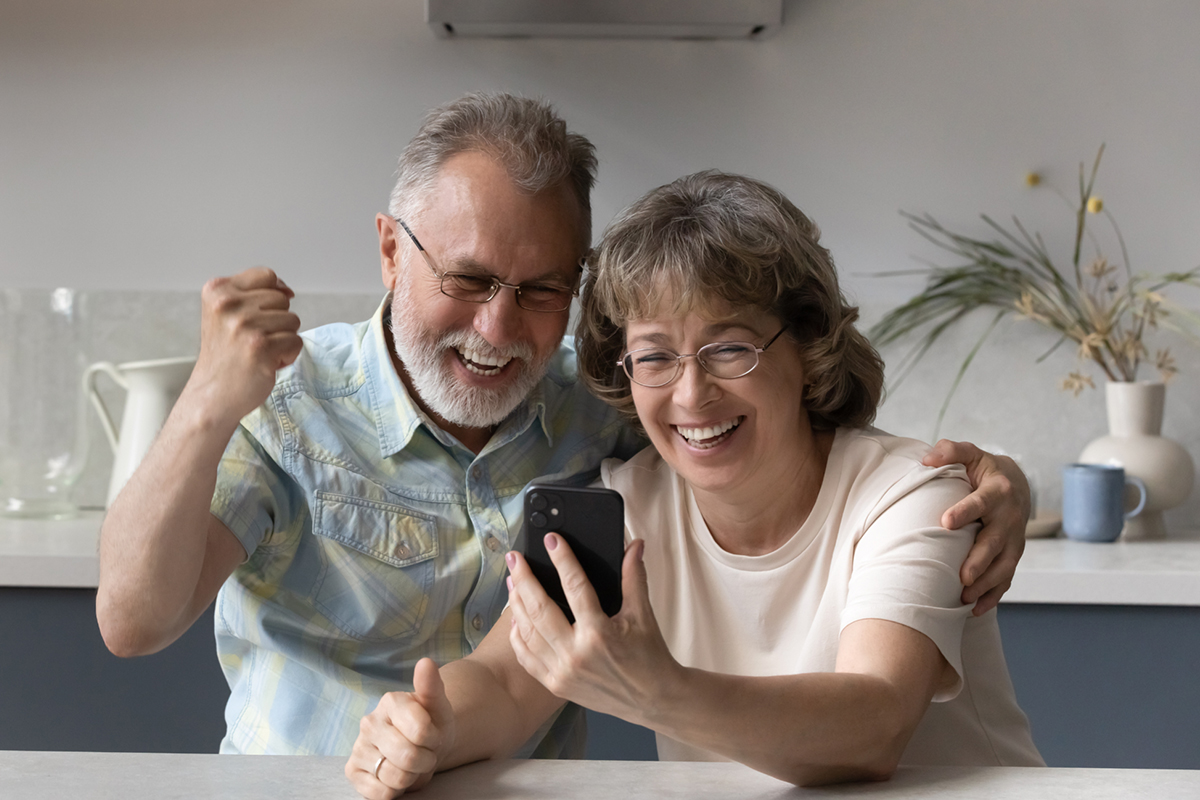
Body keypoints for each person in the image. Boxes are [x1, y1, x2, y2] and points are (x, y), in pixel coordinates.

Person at [96, 93, 1029, 758]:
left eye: (543, 290)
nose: (500, 329)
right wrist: (209, 402)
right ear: (391, 250)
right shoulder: (290, 401)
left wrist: (996, 484)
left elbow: (810, 468)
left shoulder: (609, 418)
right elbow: (134, 622)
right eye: (466, 280)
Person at [346, 171, 1042, 796]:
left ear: (805, 344)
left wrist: (660, 692)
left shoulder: (910, 497)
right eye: (654, 356)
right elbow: (505, 680)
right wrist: (429, 726)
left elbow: (874, 721)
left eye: (729, 348)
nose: (691, 393)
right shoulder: (629, 507)